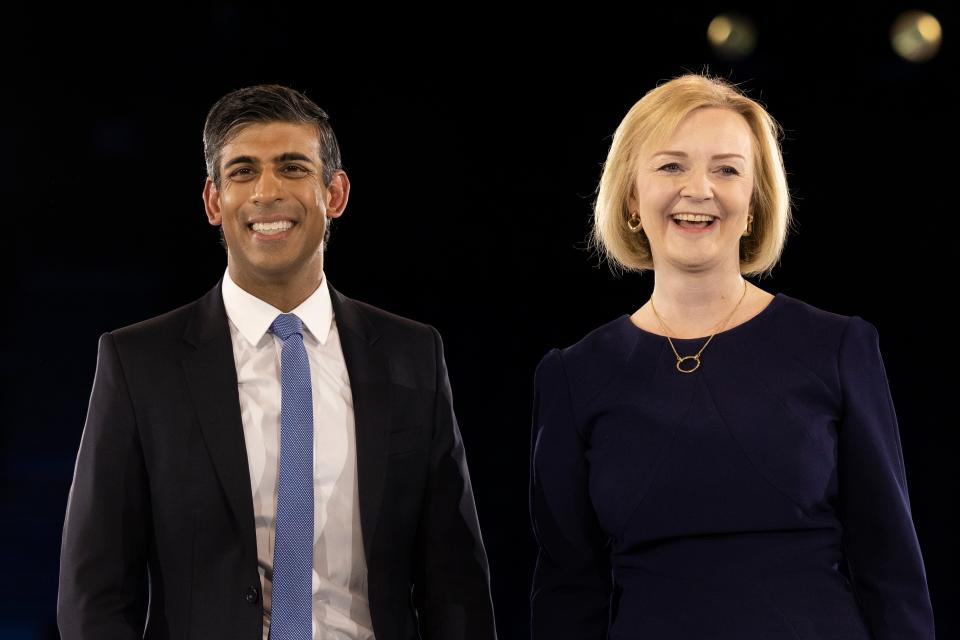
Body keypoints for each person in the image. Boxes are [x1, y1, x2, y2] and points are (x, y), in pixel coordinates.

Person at [58, 84, 497, 640]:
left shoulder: (413, 355)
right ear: (214, 202)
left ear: (334, 193)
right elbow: (94, 593)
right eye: (242, 171)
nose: (267, 191)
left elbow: (455, 582)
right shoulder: (138, 362)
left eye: (292, 167)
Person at [529, 74, 935, 639]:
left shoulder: (838, 346)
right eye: (671, 166)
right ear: (630, 199)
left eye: (727, 169)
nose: (700, 189)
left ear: (753, 203)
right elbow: (568, 590)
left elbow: (891, 570)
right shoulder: (574, 375)